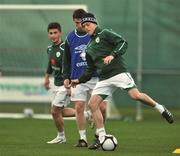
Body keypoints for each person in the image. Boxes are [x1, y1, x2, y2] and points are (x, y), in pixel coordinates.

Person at [71, 12, 174, 148]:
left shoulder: (105, 33)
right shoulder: (89, 48)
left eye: (88, 24)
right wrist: (78, 81)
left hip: (118, 72)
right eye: (84, 26)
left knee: (135, 95)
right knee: (92, 104)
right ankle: (101, 137)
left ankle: (160, 108)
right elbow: (90, 71)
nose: (86, 27)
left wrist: (112, 55)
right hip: (104, 78)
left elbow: (122, 43)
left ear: (95, 23)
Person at [63, 9, 107, 148]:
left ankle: (98, 135)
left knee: (103, 107)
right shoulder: (70, 38)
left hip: (95, 77)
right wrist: (66, 77)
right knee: (79, 106)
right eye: (76, 23)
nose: (79, 25)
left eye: (81, 22)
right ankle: (82, 139)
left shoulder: (94, 35)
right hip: (77, 79)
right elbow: (67, 60)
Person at [44, 22, 90, 144]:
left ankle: (61, 137)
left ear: (60, 33)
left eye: (55, 32)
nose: (53, 35)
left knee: (54, 111)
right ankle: (86, 115)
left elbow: (70, 65)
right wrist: (46, 78)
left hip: (66, 83)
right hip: (56, 83)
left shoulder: (65, 47)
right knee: (59, 112)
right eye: (50, 33)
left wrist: (69, 85)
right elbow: (50, 64)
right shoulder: (49, 49)